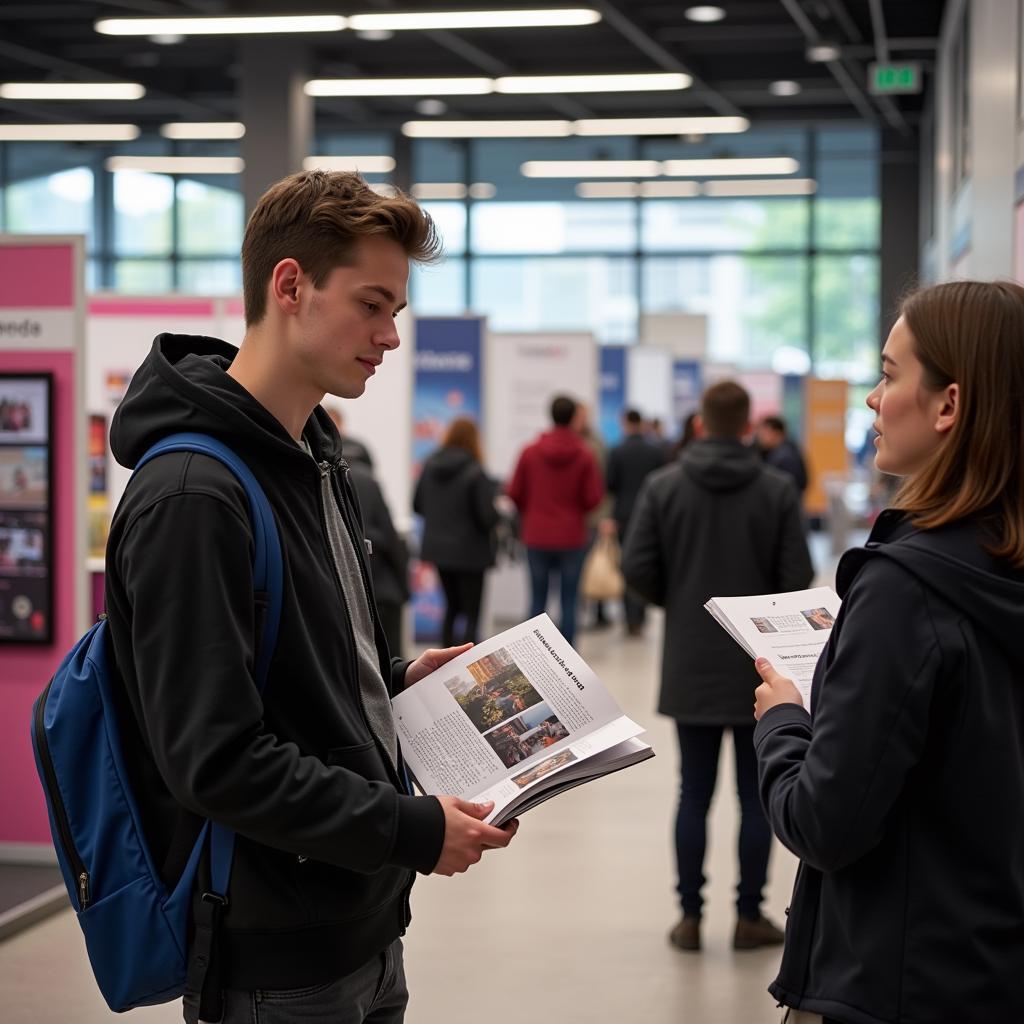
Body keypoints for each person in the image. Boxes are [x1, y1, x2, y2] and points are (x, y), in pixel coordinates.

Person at [103, 170, 518, 1024]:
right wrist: (411, 830)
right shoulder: (193, 494)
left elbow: (286, 663)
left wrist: (392, 677)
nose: (389, 337)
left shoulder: (316, 457)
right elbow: (214, 760)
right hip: (274, 964)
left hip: (359, 926)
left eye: (395, 312)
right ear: (290, 285)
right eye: (372, 305)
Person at [753, 280, 1024, 1024]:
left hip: (896, 982)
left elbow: (823, 823)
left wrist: (782, 722)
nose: (873, 399)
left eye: (889, 373)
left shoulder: (907, 591)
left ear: (949, 405)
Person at [621, 380, 813, 953]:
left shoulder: (663, 487)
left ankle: (689, 917)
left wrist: (678, 603)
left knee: (693, 792)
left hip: (690, 660)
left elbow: (637, 567)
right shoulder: (777, 490)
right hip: (759, 667)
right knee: (755, 794)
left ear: (700, 424)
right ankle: (750, 915)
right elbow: (795, 573)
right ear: (748, 426)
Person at [506, 395, 604, 645]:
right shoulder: (585, 454)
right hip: (572, 536)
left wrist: (533, 510)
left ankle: (534, 658)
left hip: (537, 535)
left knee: (537, 600)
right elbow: (594, 498)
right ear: (573, 418)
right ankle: (569, 659)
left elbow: (514, 492)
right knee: (569, 600)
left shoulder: (529, 452)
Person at [413, 417, 499, 647]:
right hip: (471, 553)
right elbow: (486, 517)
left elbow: (417, 505)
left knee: (451, 607)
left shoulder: (429, 466)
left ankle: (444, 660)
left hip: (440, 550)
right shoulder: (475, 471)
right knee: (472, 612)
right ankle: (469, 663)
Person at [604, 408, 666, 636]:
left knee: (626, 564)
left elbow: (609, 483)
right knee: (646, 562)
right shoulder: (655, 450)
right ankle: (640, 615)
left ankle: (629, 617)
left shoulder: (617, 451)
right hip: (651, 515)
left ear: (625, 423)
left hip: (623, 515)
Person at [347, 457, 410, 659]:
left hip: (348, 591)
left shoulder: (322, 475)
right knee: (391, 659)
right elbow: (391, 539)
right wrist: (404, 587)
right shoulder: (367, 480)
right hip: (383, 589)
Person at [755, 414, 808, 496]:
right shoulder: (786, 451)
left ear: (776, 433)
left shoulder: (785, 458)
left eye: (764, 432)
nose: (760, 436)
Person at [325, 405, 375, 469]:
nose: (332, 428)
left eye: (334, 422)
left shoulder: (358, 447)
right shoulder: (318, 447)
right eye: (329, 424)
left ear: (340, 422)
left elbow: (369, 470)